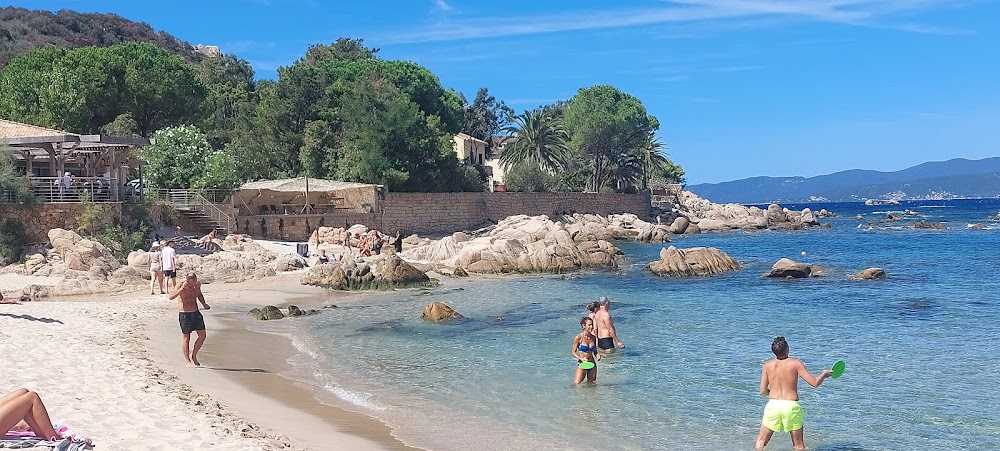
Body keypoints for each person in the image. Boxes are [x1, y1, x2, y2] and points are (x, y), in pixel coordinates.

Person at [754, 336, 832, 451]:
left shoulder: (767, 365)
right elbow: (814, 383)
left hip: (773, 405)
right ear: (787, 349)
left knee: (760, 442)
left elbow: (762, 390)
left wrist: (773, 396)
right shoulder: (795, 363)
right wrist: (824, 374)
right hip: (790, 406)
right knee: (798, 445)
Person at [168, 272, 211, 367]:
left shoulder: (197, 284)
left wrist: (204, 304)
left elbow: (199, 294)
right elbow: (171, 297)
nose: (194, 284)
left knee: (202, 335)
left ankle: (194, 355)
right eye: (192, 282)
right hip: (184, 314)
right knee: (186, 337)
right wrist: (181, 289)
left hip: (195, 312)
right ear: (188, 280)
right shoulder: (180, 285)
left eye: (195, 281)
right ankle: (187, 360)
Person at [571, 317, 600, 384]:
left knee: (591, 385)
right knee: (576, 385)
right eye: (589, 325)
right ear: (584, 326)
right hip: (582, 364)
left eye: (592, 325)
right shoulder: (579, 337)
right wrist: (580, 358)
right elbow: (573, 352)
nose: (591, 327)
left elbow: (595, 351)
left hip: (592, 364)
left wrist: (597, 355)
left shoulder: (593, 337)